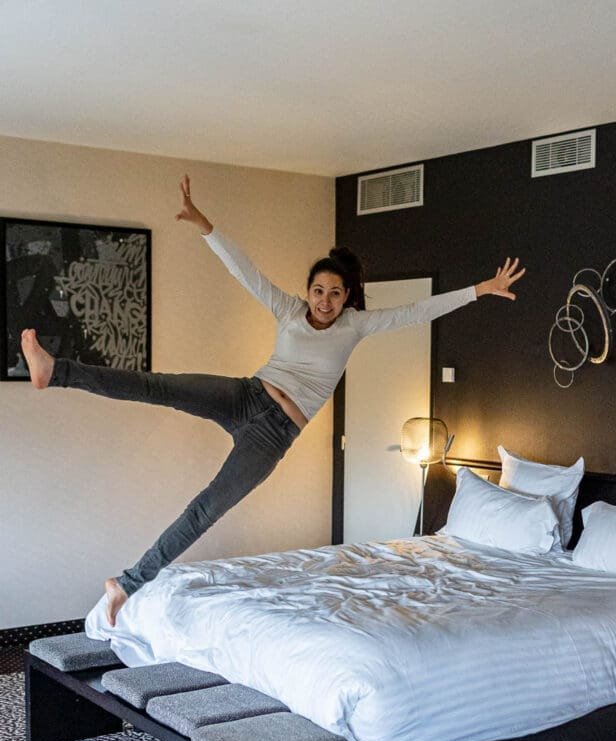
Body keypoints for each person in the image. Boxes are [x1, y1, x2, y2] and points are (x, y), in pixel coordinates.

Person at [21, 175, 525, 626]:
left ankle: (127, 583)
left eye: (335, 293)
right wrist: (204, 224)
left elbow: (417, 311)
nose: (324, 300)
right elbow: (245, 271)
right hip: (245, 395)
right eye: (318, 291)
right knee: (158, 385)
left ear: (347, 297)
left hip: (274, 433)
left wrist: (481, 289)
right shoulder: (288, 309)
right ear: (308, 290)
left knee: (205, 509)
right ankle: (57, 371)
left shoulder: (356, 326)